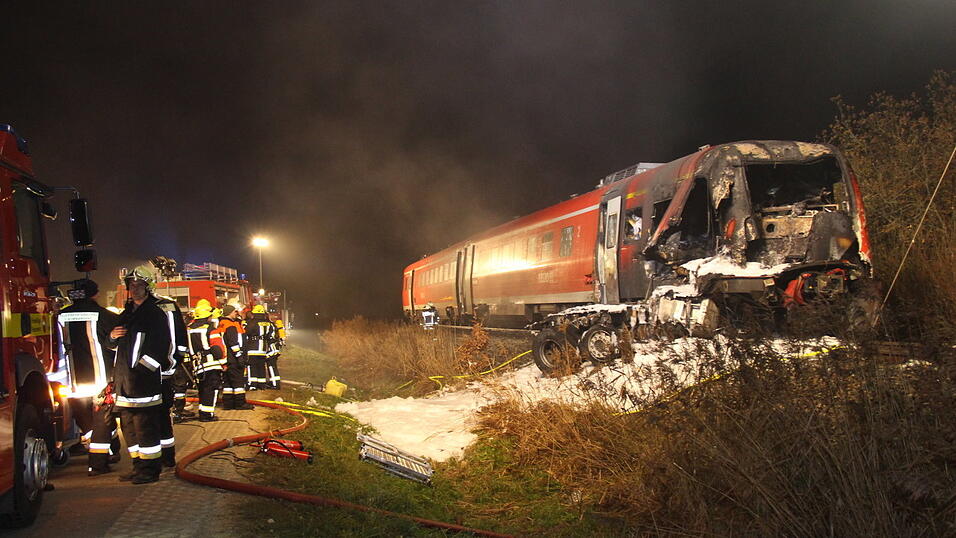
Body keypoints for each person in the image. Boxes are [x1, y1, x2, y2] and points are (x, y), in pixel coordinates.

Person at [110, 267, 173, 484]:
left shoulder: (154, 314)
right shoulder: (126, 314)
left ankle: (150, 470)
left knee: (146, 429)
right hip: (124, 383)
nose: (133, 288)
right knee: (129, 430)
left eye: (138, 285)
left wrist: (143, 371)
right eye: (131, 285)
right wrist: (111, 336)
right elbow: (112, 345)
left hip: (144, 384)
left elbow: (161, 346)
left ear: (148, 287)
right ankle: (137, 466)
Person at [55, 279, 121, 476]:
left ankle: (106, 451)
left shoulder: (60, 316)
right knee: (103, 421)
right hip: (100, 380)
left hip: (71, 381)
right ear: (95, 294)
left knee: (85, 420)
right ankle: (103, 457)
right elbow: (117, 346)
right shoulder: (106, 316)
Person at [188, 302, 225, 422]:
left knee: (202, 389)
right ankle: (207, 415)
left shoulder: (189, 328)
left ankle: (203, 412)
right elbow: (218, 349)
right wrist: (223, 363)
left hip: (197, 365)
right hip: (211, 364)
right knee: (212, 389)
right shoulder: (211, 329)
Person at [216, 304, 253, 410]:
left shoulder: (222, 324)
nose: (236, 314)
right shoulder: (230, 325)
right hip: (234, 358)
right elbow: (233, 343)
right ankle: (240, 403)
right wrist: (239, 357)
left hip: (226, 358)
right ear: (230, 312)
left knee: (228, 382)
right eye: (234, 312)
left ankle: (228, 403)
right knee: (238, 381)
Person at [244, 305, 274, 390]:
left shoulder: (251, 323)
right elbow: (271, 335)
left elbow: (247, 332)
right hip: (263, 349)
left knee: (252, 366)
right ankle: (262, 384)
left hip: (252, 348)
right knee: (261, 366)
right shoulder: (269, 324)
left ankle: (252, 384)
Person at [266, 314, 286, 389]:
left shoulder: (270, 326)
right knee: (273, 367)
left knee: (271, 366)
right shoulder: (275, 326)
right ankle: (275, 383)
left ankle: (274, 384)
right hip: (275, 349)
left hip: (272, 350)